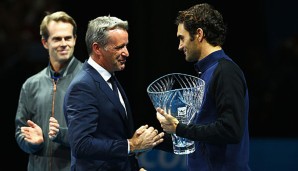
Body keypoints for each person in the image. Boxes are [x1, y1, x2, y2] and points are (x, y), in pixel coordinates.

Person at [155, 3, 251, 171]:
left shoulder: (225, 71)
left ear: (199, 34)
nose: (179, 46)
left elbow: (231, 129)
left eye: (181, 38)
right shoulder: (206, 73)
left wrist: (180, 128)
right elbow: (198, 139)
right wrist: (154, 140)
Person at [63, 16, 164, 171]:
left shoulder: (109, 78)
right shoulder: (83, 86)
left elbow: (112, 134)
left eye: (126, 46)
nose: (127, 53)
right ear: (97, 48)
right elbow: (81, 145)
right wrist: (131, 145)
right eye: (119, 47)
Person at [15, 11, 83, 171]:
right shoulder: (31, 84)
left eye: (68, 38)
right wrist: (31, 143)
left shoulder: (89, 81)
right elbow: (20, 129)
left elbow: (99, 134)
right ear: (45, 42)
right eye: (57, 39)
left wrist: (62, 135)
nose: (64, 43)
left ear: (75, 39)